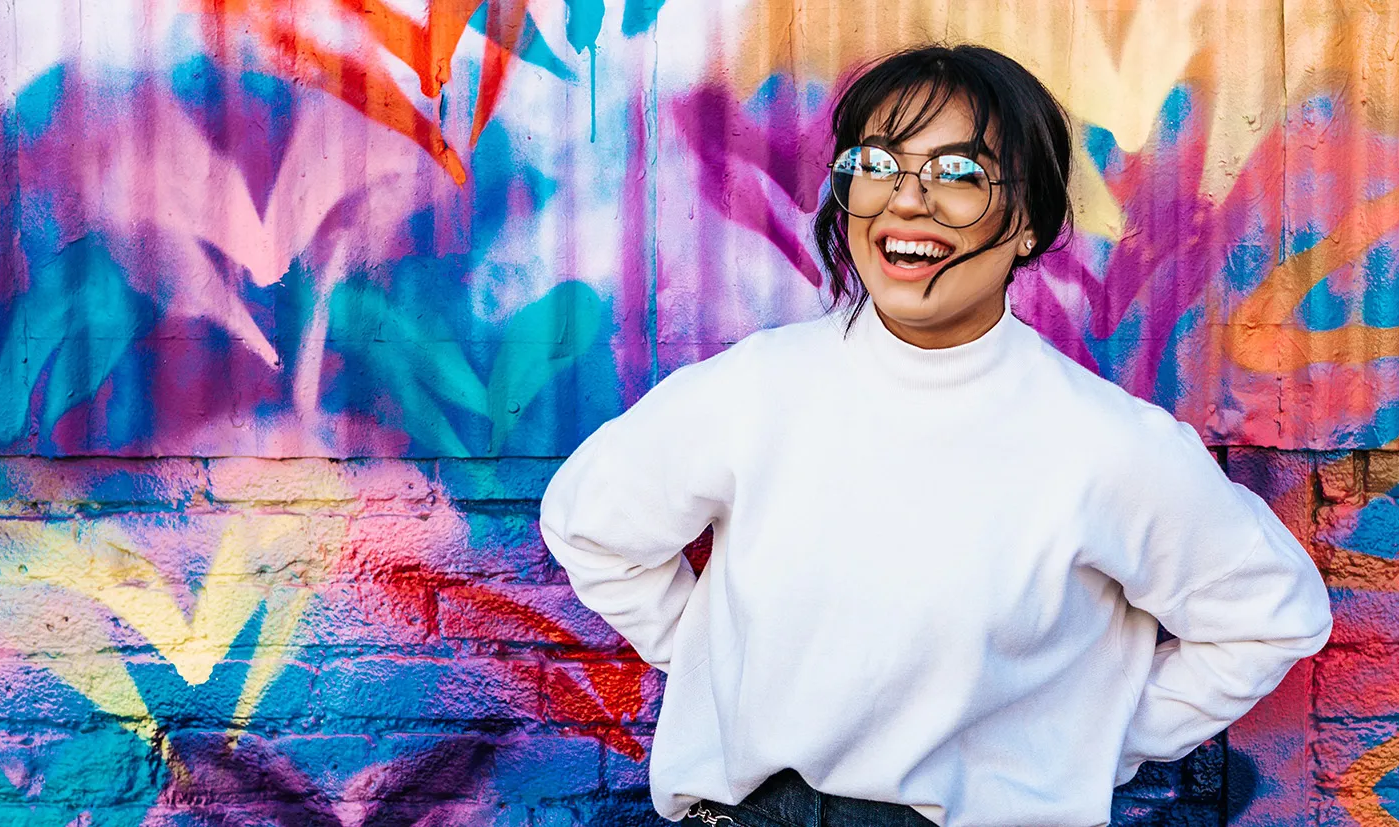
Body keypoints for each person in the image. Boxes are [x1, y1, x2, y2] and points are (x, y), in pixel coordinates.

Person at [539, 43, 1332, 827]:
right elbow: (592, 525)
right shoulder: (756, 390)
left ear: (1028, 221)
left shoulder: (1105, 443)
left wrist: (1083, 735)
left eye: (959, 174)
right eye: (875, 165)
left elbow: (1269, 614)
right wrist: (722, 667)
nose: (906, 202)